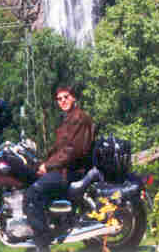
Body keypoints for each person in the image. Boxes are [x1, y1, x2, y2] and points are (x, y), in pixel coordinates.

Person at [24, 85, 95, 252]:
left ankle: (42, 245)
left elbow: (72, 151)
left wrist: (47, 166)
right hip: (63, 169)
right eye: (59, 98)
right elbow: (58, 149)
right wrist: (39, 163)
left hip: (70, 172)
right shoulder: (68, 119)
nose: (63, 101)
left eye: (66, 97)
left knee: (32, 195)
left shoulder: (79, 118)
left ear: (73, 98)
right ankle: (50, 229)